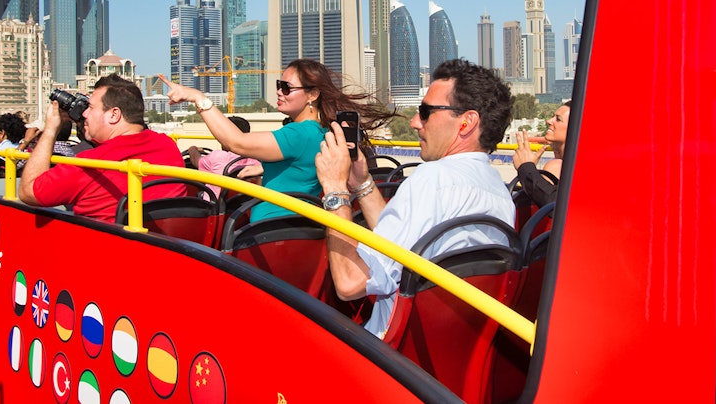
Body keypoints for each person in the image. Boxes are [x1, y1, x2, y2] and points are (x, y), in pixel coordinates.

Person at [315, 59, 515, 337]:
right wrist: (362, 183)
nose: (414, 122)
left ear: (466, 122)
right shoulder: (499, 189)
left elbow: (349, 283)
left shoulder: (431, 180)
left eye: (425, 112)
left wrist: (336, 189)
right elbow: (402, 241)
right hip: (441, 347)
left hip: (384, 353)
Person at [160, 59, 394, 221]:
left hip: (269, 226)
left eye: (286, 87)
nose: (279, 92)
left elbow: (236, 143)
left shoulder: (297, 134)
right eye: (278, 85)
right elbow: (300, 164)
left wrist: (197, 97)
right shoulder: (323, 132)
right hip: (300, 223)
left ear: (312, 95)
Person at [18, 74, 186, 223]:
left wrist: (50, 130)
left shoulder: (89, 165)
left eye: (90, 107)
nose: (84, 114)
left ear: (114, 114)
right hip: (164, 251)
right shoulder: (168, 146)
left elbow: (27, 192)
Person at [512, 100, 571, 207]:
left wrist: (526, 167)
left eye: (558, 119)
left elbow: (549, 202)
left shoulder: (557, 167)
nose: (549, 121)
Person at [187, 116, 262, 196]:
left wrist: (192, 149)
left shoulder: (218, 156)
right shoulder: (255, 159)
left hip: (215, 204)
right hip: (244, 204)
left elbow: (196, 161)